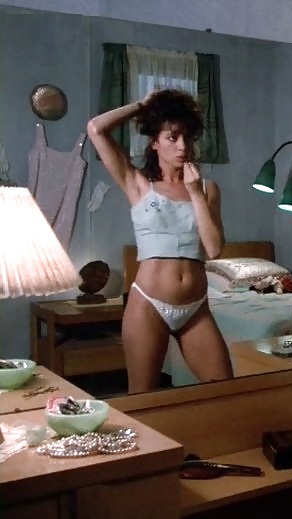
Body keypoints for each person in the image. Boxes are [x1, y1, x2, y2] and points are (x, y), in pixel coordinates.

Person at [87, 89, 233, 394]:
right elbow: (96, 129)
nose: (183, 146)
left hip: (195, 308)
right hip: (148, 304)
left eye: (188, 138)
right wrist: (143, 105)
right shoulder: (138, 183)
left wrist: (195, 194)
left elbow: (213, 248)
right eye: (172, 137)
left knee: (224, 392)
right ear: (154, 142)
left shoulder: (207, 189)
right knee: (142, 397)